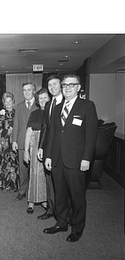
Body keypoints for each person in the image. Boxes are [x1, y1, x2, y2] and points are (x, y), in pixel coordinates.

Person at [44, 74, 98, 242]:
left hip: (76, 160)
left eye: (71, 85)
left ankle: (77, 228)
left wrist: (86, 158)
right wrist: (48, 156)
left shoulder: (87, 106)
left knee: (77, 196)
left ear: (78, 87)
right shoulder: (58, 107)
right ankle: (61, 222)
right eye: (65, 85)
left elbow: (91, 135)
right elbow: (52, 133)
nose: (67, 88)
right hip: (57, 159)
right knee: (59, 193)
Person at [37, 75, 64, 220]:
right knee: (50, 182)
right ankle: (51, 209)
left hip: (64, 151)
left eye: (55, 84)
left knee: (64, 184)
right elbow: (45, 127)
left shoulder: (67, 102)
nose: (53, 87)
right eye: (50, 85)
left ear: (61, 85)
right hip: (48, 150)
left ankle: (65, 214)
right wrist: (41, 147)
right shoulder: (48, 104)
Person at [24, 88, 50, 214]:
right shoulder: (34, 114)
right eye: (41, 98)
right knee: (34, 172)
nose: (43, 100)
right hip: (35, 145)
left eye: (45, 97)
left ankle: (45, 199)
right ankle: (32, 200)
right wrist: (26, 150)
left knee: (46, 174)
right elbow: (28, 132)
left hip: (50, 145)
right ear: (38, 101)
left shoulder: (54, 112)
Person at [12, 82, 38, 201]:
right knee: (23, 170)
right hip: (22, 142)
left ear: (34, 91)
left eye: (29, 90)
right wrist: (14, 141)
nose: (26, 92)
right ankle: (22, 190)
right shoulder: (19, 106)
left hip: (37, 142)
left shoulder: (40, 104)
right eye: (24, 90)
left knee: (36, 170)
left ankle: (36, 193)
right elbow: (16, 124)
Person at [0, 92, 19, 192]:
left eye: (10, 101)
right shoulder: (1, 114)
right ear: (4, 103)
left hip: (14, 141)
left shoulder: (17, 112)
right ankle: (4, 184)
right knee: (4, 163)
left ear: (13, 102)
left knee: (13, 163)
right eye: (6, 101)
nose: (8, 103)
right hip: (4, 141)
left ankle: (13, 185)